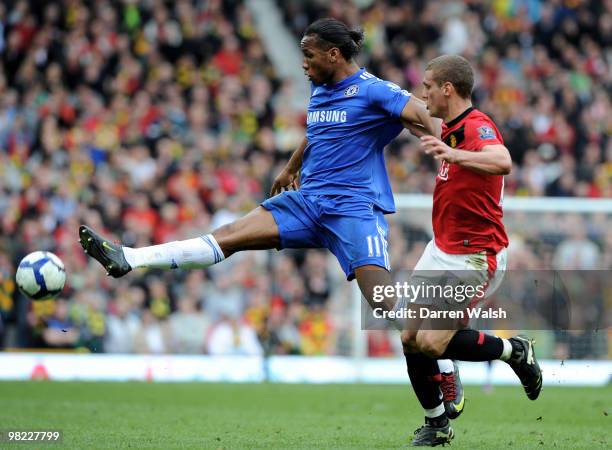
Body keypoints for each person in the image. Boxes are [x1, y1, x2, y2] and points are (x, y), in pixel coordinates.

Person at [79, 16, 459, 398]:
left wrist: (455, 148)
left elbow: (424, 115)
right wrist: (291, 167)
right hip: (307, 202)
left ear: (333, 54)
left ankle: (445, 358)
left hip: (354, 210)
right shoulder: (321, 87)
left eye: (309, 55)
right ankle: (128, 257)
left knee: (384, 302)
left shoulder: (374, 90)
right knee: (228, 237)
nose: (303, 64)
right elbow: (319, 132)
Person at [397, 55, 542, 446]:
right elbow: (410, 116)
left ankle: (515, 350)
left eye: (428, 85)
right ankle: (437, 423)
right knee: (409, 337)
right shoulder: (447, 126)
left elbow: (503, 161)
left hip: (476, 255)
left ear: (448, 88)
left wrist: (455, 155)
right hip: (440, 248)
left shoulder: (477, 126)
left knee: (432, 342)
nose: (423, 91)